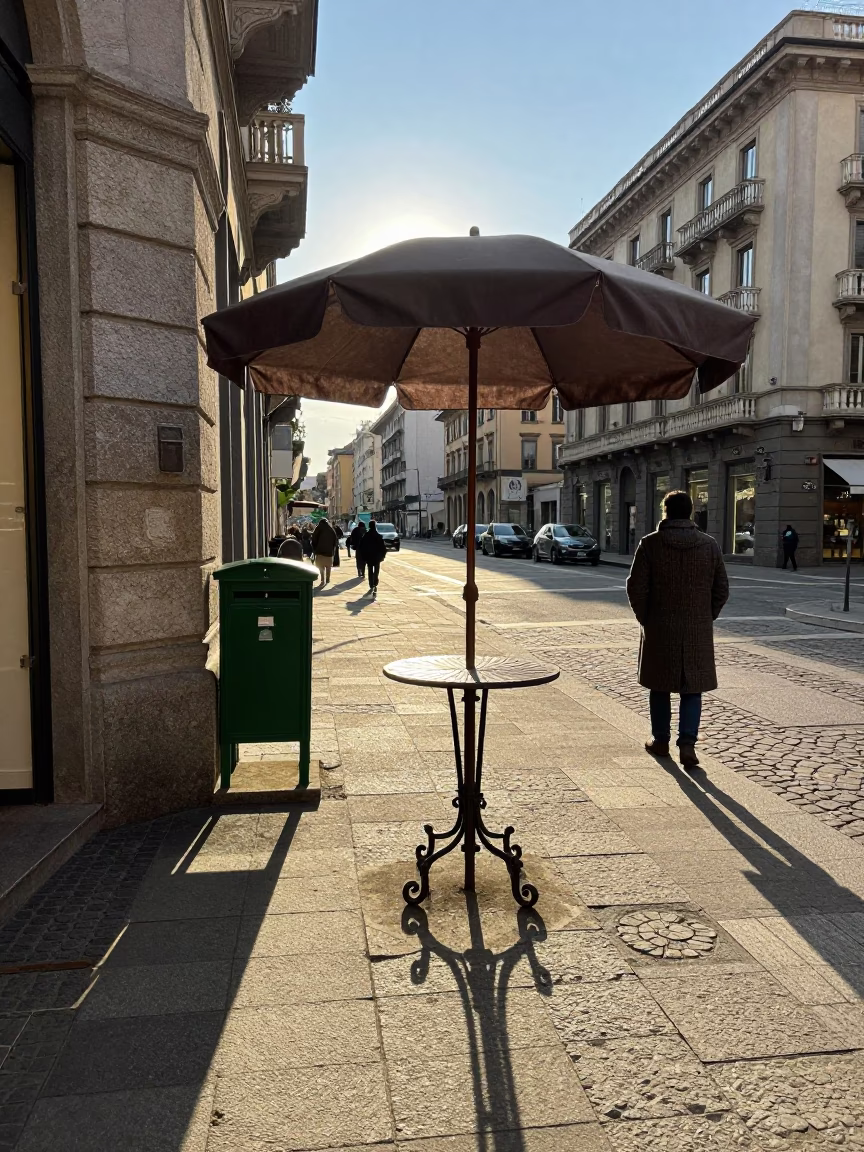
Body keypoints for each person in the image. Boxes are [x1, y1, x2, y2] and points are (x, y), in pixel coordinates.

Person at [625, 489, 729, 772]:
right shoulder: (709, 545)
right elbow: (721, 589)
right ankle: (687, 745)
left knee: (659, 686)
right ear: (691, 512)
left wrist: (646, 618)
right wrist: (705, 617)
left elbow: (636, 587)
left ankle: (660, 741)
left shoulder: (650, 544)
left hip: (659, 627)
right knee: (692, 689)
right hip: (696, 628)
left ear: (665, 512)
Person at [357, 519, 387, 596]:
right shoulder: (378, 536)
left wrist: (363, 556)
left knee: (370, 570)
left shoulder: (366, 536)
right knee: (376, 570)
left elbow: (361, 547)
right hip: (377, 557)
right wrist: (383, 556)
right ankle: (375, 582)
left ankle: (371, 584)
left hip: (369, 557)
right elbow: (383, 548)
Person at [310, 516, 338, 587]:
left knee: (320, 567)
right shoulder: (331, 529)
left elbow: (314, 540)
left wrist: (314, 548)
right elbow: (335, 541)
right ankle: (328, 578)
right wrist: (333, 548)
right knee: (328, 567)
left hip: (319, 552)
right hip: (329, 552)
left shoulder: (318, 528)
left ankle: (322, 579)